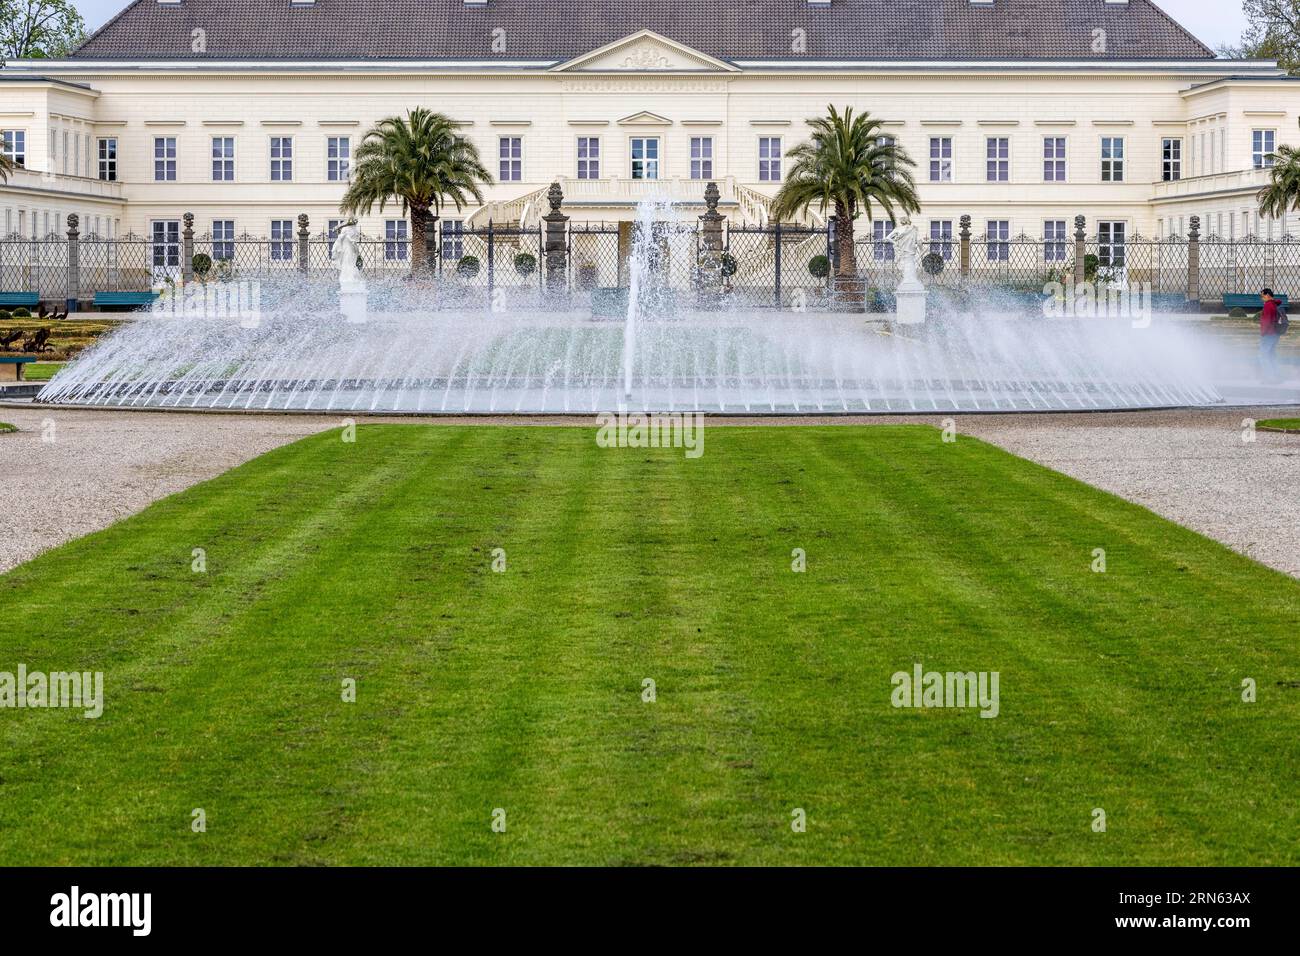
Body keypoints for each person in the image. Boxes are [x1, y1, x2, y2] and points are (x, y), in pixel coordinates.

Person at [1259, 288, 1283, 383]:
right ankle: (1277, 377)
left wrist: (1263, 333)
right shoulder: (1274, 304)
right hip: (1275, 334)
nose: (1261, 298)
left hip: (1268, 334)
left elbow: (1267, 321)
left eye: (1262, 296)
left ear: (1267, 295)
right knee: (1271, 355)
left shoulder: (1268, 305)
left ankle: (1270, 378)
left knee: (1263, 356)